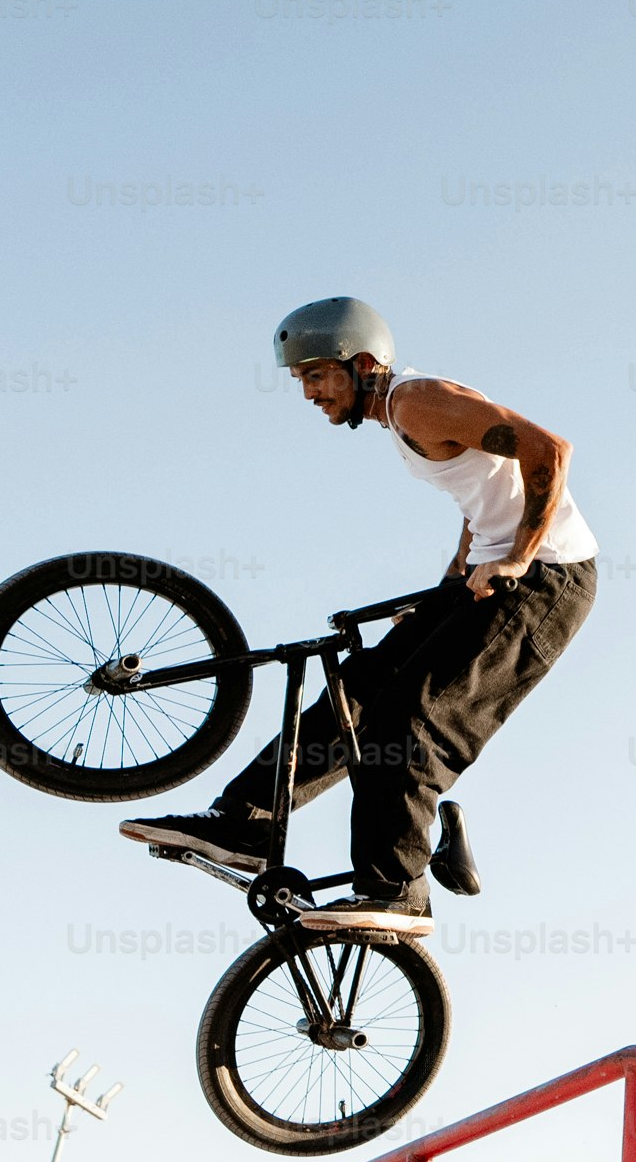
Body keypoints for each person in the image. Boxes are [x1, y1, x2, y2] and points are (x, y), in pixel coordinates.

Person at [120, 296, 596, 935]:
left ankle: (398, 890)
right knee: (356, 697)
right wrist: (443, 593)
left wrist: (516, 558)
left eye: (316, 374)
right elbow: (478, 498)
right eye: (301, 380)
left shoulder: (415, 400)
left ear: (363, 363)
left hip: (546, 582)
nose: (310, 393)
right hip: (489, 579)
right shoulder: (400, 418)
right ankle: (247, 824)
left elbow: (548, 450)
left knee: (409, 726)